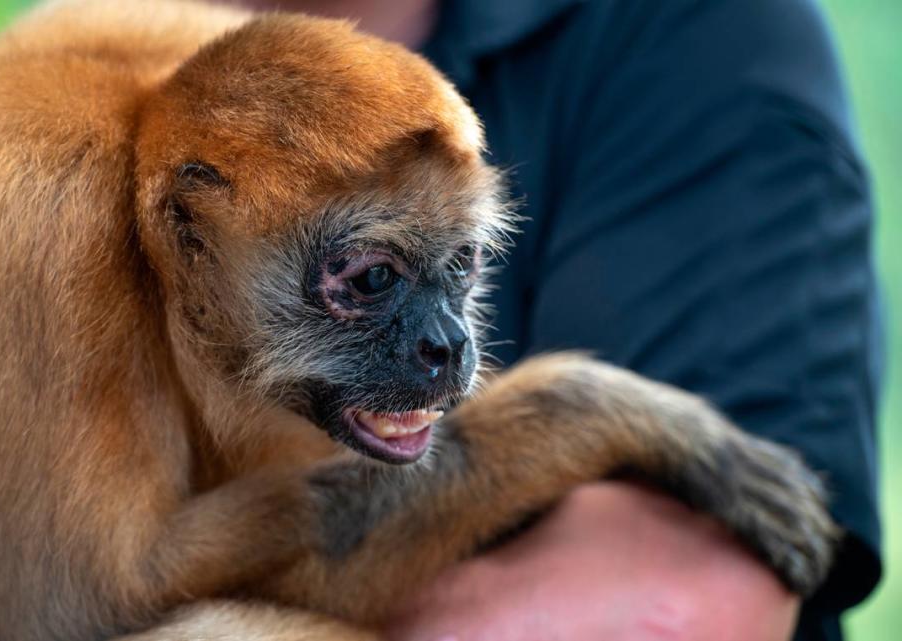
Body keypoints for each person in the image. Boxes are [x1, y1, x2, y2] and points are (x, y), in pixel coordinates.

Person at [232, 1, 884, 639]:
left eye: (466, 266)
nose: (450, 341)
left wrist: (575, 416)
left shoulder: (699, 35)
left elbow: (678, 606)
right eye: (369, 280)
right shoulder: (139, 103)